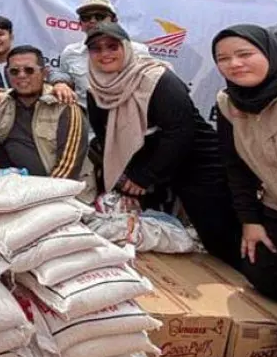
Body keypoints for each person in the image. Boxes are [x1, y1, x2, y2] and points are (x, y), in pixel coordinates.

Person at [86, 22, 240, 268]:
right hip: (149, 164)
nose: (105, 54)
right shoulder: (97, 89)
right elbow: (107, 138)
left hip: (197, 163)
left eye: (112, 46)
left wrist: (144, 176)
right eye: (96, 49)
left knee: (217, 235)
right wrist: (126, 178)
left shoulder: (158, 79)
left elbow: (181, 132)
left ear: (126, 48)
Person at [212, 25, 277, 317]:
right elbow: (236, 167)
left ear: (270, 52)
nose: (234, 64)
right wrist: (250, 220)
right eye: (223, 58)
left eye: (245, 54)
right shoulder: (228, 102)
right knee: (261, 273)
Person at [0, 45, 87, 179]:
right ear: (7, 73)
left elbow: (68, 167)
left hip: (47, 183)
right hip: (6, 177)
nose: (22, 76)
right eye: (14, 71)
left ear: (44, 73)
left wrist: (41, 194)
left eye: (29, 70)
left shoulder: (64, 106)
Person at [59, 0, 151, 107]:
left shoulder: (139, 51)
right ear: (80, 24)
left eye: (100, 16)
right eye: (86, 17)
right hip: (86, 120)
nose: (92, 21)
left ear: (114, 21)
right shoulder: (70, 52)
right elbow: (63, 77)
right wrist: (60, 83)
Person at [0, 16, 76, 105]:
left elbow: (53, 73)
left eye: (0, 34)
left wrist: (60, 84)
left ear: (11, 36)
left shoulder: (29, 58)